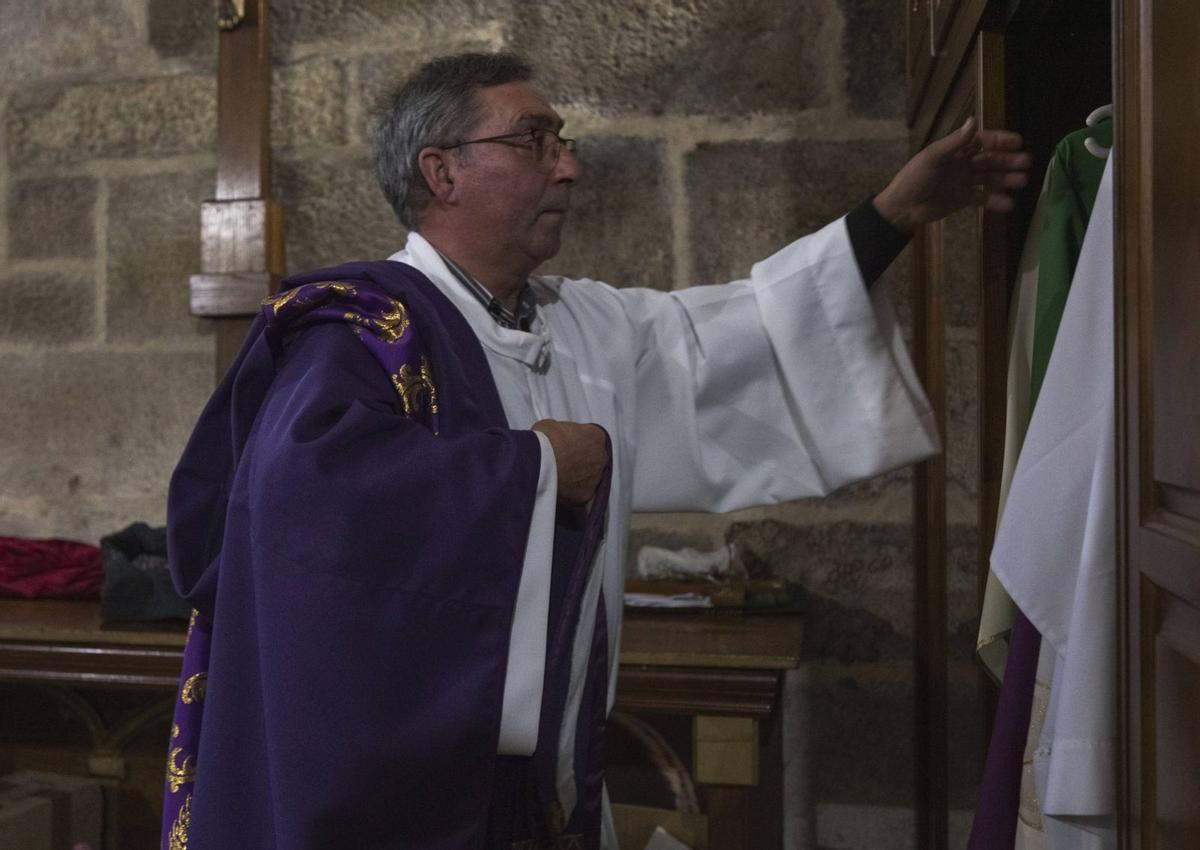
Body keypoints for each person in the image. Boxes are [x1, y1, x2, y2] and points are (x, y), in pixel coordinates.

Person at [162, 52, 1030, 850]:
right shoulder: (369, 328)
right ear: (442, 171)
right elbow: (303, 505)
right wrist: (538, 469)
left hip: (552, 785)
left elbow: (746, 332)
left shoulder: (580, 325)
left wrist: (896, 214)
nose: (568, 166)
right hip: (419, 802)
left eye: (563, 143)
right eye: (534, 141)